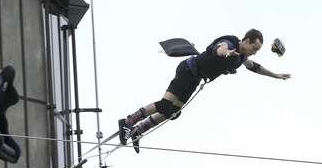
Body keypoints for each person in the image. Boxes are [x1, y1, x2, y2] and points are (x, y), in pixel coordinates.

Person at [118, 29, 291, 153]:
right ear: (246, 42)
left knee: (173, 112)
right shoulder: (230, 42)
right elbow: (219, 48)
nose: (254, 53)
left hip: (196, 79)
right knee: (164, 105)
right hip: (187, 69)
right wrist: (226, 53)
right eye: (254, 48)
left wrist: (275, 75)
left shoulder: (242, 58)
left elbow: (255, 67)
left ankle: (138, 130)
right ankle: (127, 123)